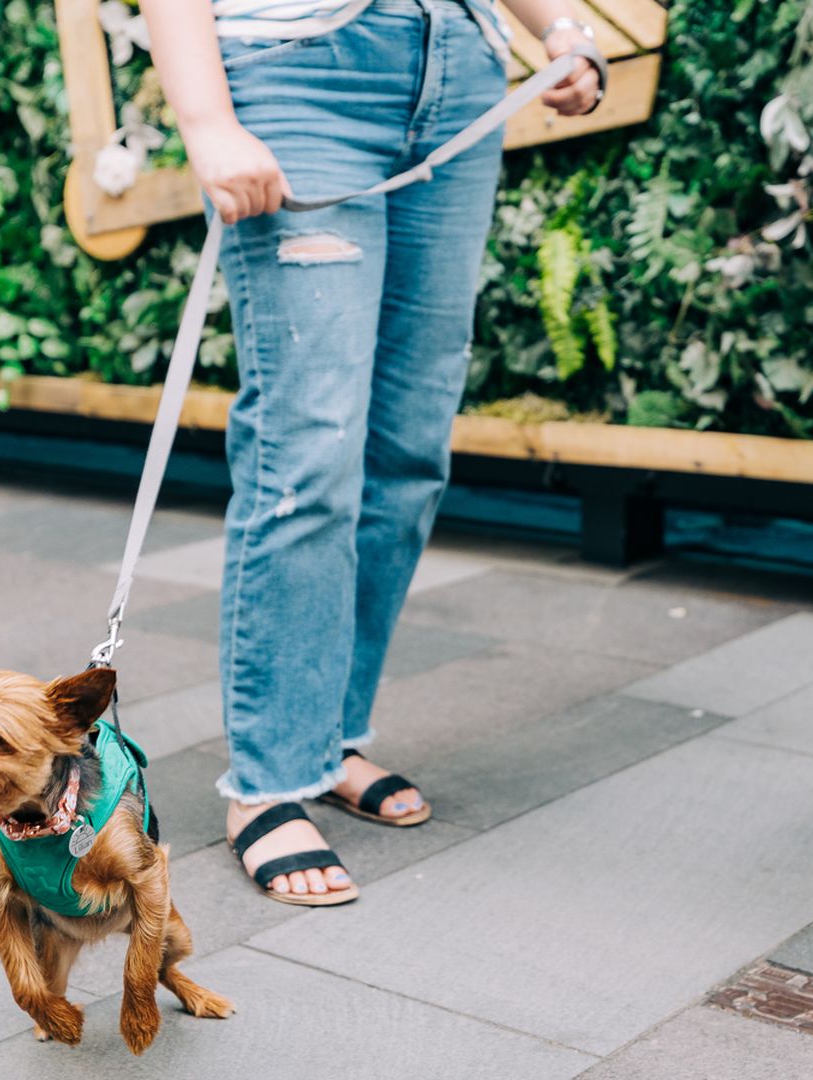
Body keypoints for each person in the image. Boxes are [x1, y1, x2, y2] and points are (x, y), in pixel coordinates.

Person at [140, 0, 602, 905]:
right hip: (300, 68)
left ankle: (329, 738)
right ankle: (271, 781)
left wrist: (561, 29)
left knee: (408, 450)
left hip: (460, 70)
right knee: (306, 453)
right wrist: (206, 119)